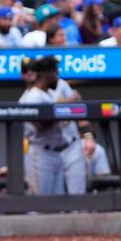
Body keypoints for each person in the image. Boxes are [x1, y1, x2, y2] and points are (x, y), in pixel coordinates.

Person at [19, 56, 86, 195]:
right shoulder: (33, 97)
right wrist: (66, 105)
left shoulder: (47, 95)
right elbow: (40, 124)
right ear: (47, 75)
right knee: (41, 203)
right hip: (41, 153)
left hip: (57, 152)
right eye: (55, 73)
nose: (57, 78)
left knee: (57, 204)